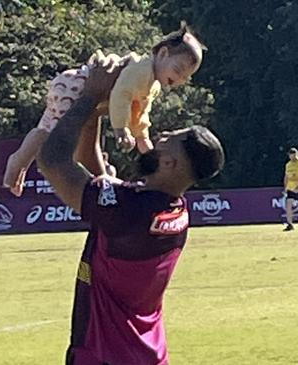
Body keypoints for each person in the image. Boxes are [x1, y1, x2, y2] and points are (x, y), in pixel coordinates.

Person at [37, 55, 225, 365]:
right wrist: (102, 109)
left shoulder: (129, 210)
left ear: (169, 163)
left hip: (103, 355)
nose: (159, 138)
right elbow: (99, 177)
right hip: (147, 355)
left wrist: (88, 96)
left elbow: (53, 161)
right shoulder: (173, 210)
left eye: (168, 140)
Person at [3, 23, 206, 196]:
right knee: (54, 136)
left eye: (184, 78)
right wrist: (120, 130)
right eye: (178, 70)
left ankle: (21, 160)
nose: (178, 80)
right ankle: (19, 160)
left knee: (47, 128)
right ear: (162, 54)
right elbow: (121, 96)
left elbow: (140, 114)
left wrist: (143, 141)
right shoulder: (142, 69)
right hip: (77, 87)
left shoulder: (152, 84)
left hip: (71, 87)